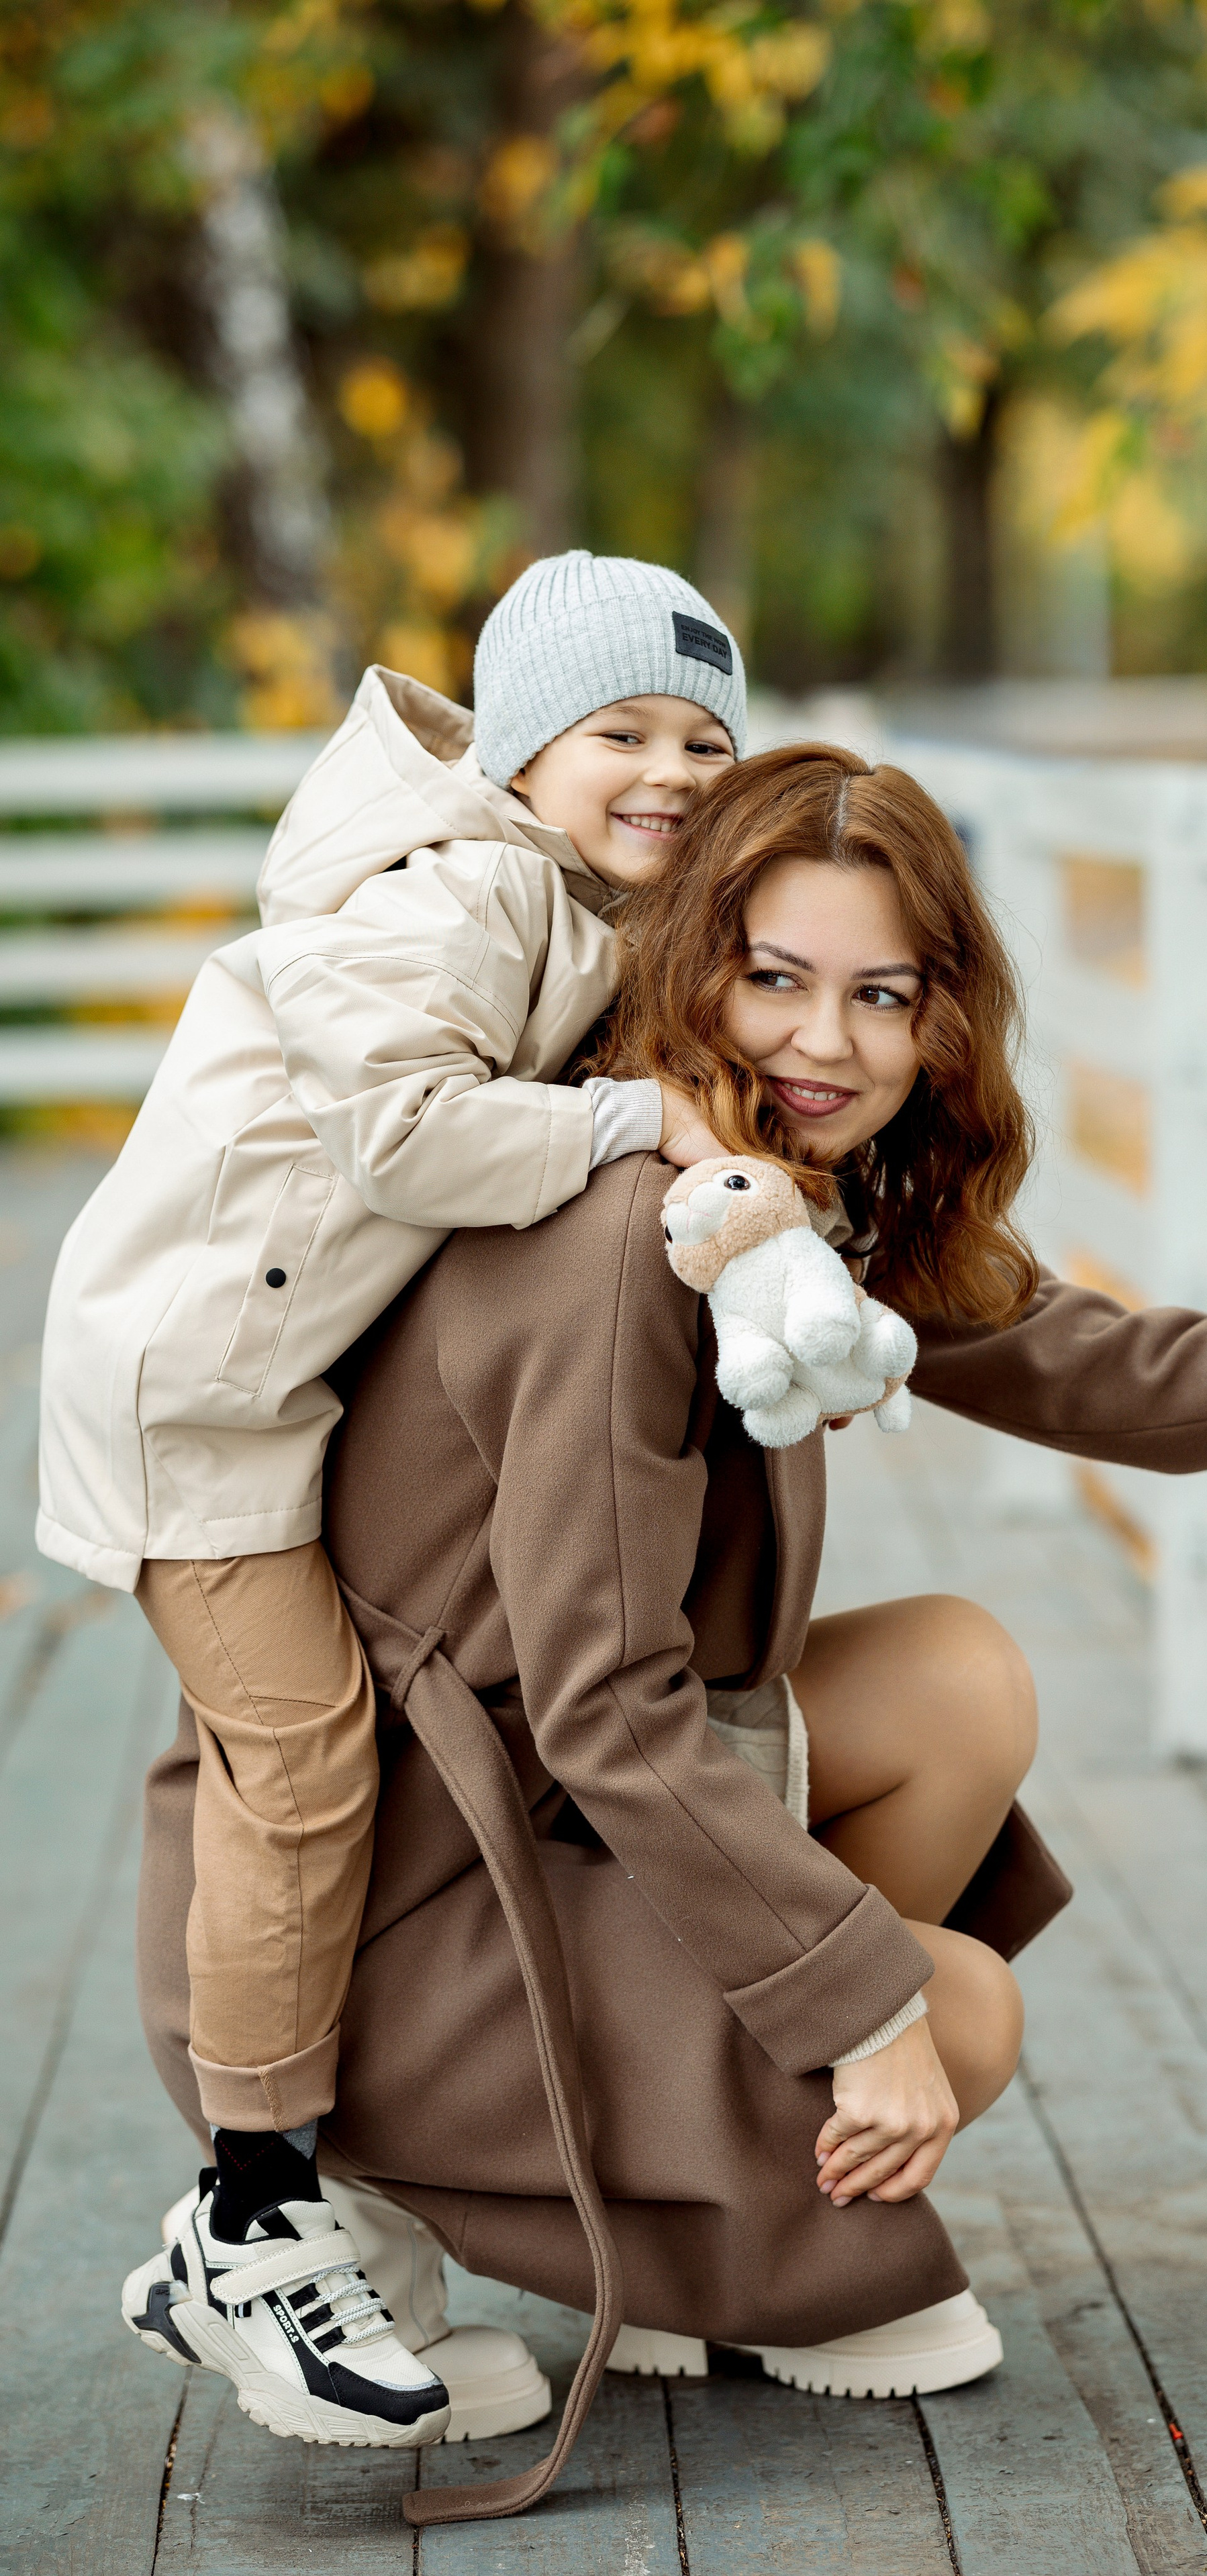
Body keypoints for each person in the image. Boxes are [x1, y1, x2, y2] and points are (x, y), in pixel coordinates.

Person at [129, 743, 1207, 2523]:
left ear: (941, 1018)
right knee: (953, 2011)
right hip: (399, 1927)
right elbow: (610, 1717)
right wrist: (863, 2005)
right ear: (685, 966)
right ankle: (441, 2195)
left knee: (959, 1677)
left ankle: (693, 2200)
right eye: (775, 980)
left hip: (542, 1832)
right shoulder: (608, 1232)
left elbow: (1122, 1373)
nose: (826, 1044)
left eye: (882, 995)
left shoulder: (781, 1204)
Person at [42, 552, 754, 2450]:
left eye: (704, 736)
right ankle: (251, 2216)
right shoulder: (446, 897)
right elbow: (411, 1136)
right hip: (195, 1392)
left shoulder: (551, 891)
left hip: (271, 1379)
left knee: (327, 1753)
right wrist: (638, 1125)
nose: (670, 768)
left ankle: (327, 2200)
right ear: (524, 751)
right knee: (301, 1754)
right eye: (623, 732)